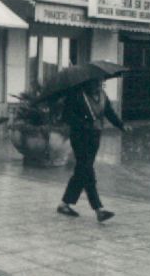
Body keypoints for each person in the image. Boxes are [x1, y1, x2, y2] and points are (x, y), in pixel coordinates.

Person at [55, 78, 129, 222]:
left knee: (82, 171)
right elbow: (67, 116)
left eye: (100, 83)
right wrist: (85, 124)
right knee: (87, 169)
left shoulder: (102, 95)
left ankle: (64, 204)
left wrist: (121, 125)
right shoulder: (76, 95)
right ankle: (98, 209)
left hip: (95, 137)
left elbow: (109, 112)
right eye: (94, 83)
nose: (97, 86)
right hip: (80, 137)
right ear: (87, 83)